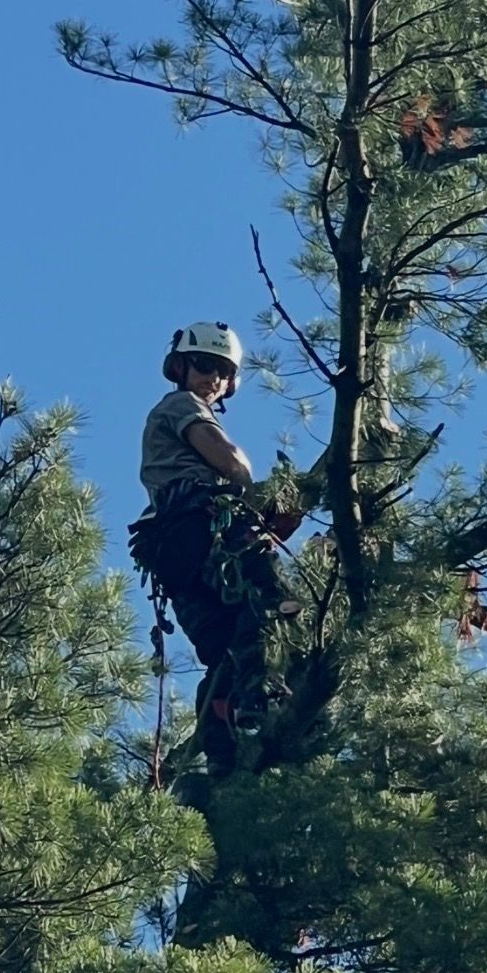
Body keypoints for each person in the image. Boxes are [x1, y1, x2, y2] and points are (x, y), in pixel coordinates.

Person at [131, 321, 300, 772]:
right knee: (274, 598)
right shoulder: (181, 405)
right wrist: (264, 491)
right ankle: (262, 695)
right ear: (182, 367)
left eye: (224, 373)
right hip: (203, 527)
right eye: (205, 366)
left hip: (174, 555)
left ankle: (222, 750)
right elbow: (233, 465)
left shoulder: (172, 413)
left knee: (224, 654)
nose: (214, 379)